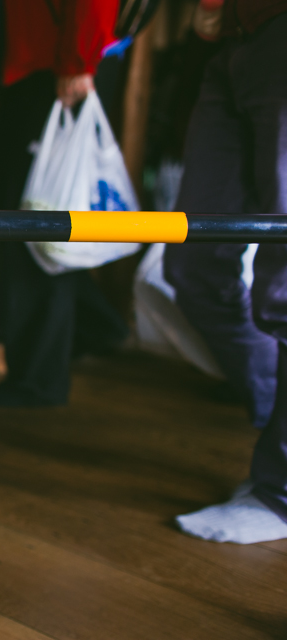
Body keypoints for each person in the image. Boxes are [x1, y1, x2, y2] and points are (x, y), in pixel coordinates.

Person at [0, 0, 127, 407]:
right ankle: (96, 327)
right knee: (19, 206)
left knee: (39, 222)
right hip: (32, 62)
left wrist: (77, 60)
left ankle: (39, 378)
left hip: (57, 66)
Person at [162, 0, 287, 544]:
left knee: (284, 287)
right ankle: (269, 412)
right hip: (234, 41)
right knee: (194, 264)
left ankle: (280, 494)